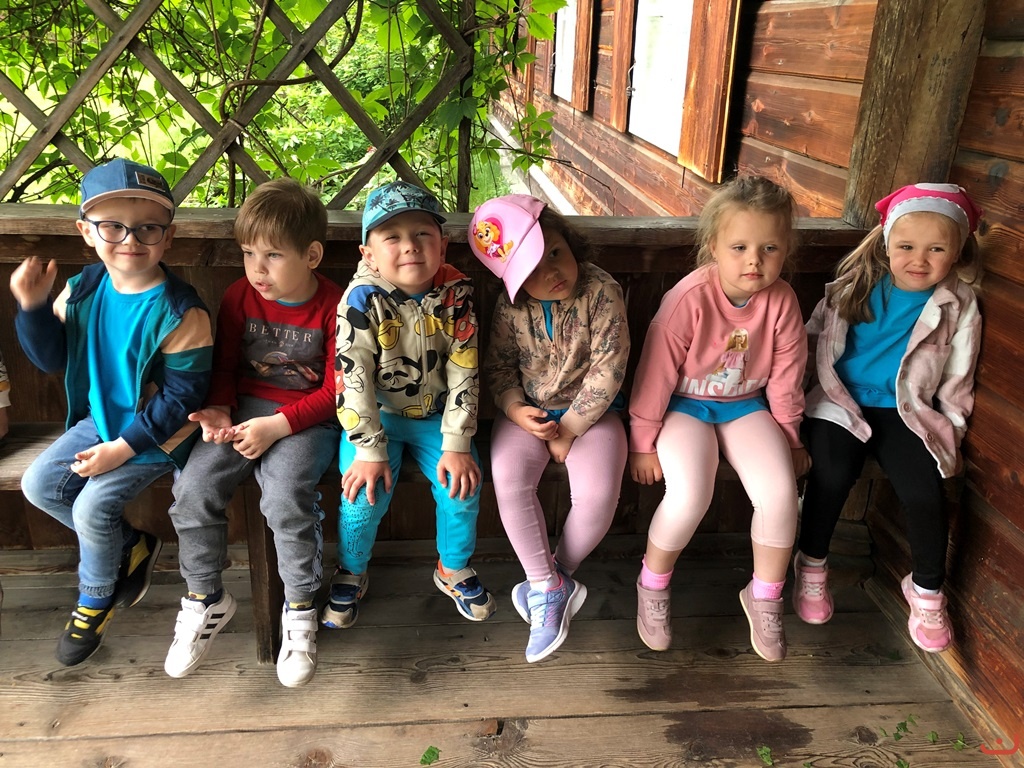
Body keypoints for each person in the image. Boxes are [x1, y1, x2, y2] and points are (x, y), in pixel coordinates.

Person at [10, 158, 214, 666]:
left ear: (168, 236)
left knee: (90, 508)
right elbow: (53, 358)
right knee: (40, 485)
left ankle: (95, 599)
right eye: (112, 226)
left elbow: (182, 399)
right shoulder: (83, 290)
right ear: (86, 231)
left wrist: (121, 450)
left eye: (148, 227)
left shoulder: (180, 311)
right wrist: (33, 309)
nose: (130, 239)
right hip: (100, 419)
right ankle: (131, 545)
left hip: (160, 435)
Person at [162, 178, 342, 687]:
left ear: (311, 255)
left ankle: (300, 608)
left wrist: (278, 425)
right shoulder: (240, 296)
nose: (257, 269)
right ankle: (204, 597)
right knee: (192, 488)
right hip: (244, 412)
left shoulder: (336, 303)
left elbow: (338, 391)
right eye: (248, 254)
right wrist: (219, 408)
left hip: (306, 418)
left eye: (273, 255)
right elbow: (223, 366)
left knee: (285, 497)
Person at [794, 183, 983, 654]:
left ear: (958, 251)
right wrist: (790, 409)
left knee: (924, 490)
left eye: (936, 249)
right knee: (832, 473)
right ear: (886, 243)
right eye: (907, 246)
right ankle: (811, 563)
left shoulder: (957, 303)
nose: (919, 259)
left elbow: (959, 374)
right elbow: (809, 343)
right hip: (839, 401)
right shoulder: (854, 285)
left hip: (907, 411)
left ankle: (927, 591)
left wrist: (953, 428)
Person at [629, 175, 809, 661]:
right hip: (684, 406)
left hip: (746, 404)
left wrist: (791, 438)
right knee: (690, 493)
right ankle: (652, 582)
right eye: (740, 247)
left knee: (780, 494)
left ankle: (765, 595)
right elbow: (654, 376)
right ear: (713, 246)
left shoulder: (782, 301)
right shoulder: (688, 299)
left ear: (786, 249)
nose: (755, 260)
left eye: (770, 248)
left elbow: (787, 377)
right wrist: (643, 442)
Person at [468, 195, 630, 663]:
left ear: (569, 242)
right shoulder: (510, 307)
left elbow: (609, 367)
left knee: (598, 494)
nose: (551, 272)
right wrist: (516, 409)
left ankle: (556, 576)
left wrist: (572, 428)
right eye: (532, 269)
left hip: (595, 414)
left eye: (555, 252)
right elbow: (498, 367)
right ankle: (546, 584)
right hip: (529, 412)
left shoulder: (602, 291)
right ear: (513, 280)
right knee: (509, 480)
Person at [327, 180, 494, 629]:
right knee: (362, 495)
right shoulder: (360, 300)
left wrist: (457, 442)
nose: (410, 246)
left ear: (443, 244)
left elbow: (464, 368)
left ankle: (452, 567)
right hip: (375, 418)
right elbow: (352, 379)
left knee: (462, 485)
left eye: (423, 233)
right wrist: (368, 449)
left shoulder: (457, 294)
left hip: (438, 418)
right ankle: (351, 569)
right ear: (368, 254)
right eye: (392, 236)